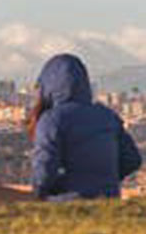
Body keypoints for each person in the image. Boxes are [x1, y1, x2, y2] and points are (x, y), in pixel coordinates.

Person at [29, 53, 141, 201]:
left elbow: (44, 169)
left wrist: (44, 191)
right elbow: (132, 160)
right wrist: (105, 181)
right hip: (108, 201)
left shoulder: (52, 120)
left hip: (67, 202)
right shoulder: (107, 115)